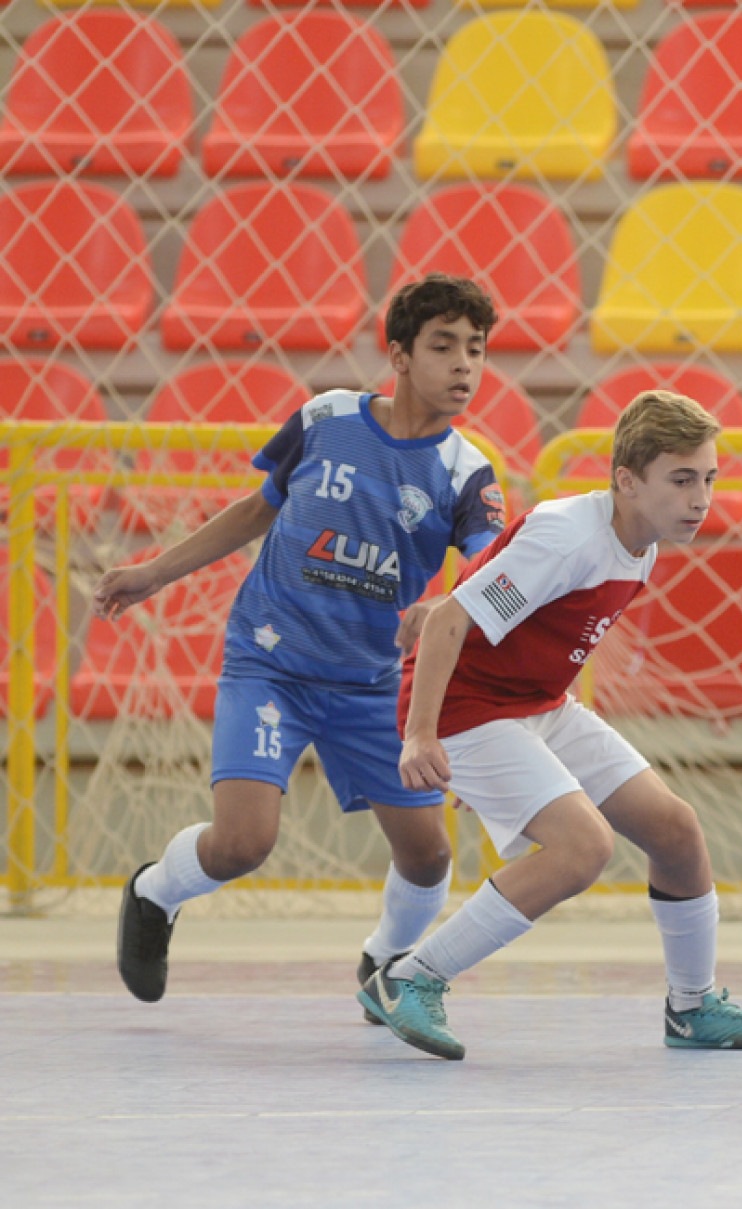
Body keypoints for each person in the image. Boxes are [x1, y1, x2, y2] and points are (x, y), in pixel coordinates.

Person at [101, 274, 508, 1008]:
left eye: (476, 350)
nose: (464, 365)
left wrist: (449, 599)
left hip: (375, 684)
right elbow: (257, 510)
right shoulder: (326, 419)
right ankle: (154, 891)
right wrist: (156, 571)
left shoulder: (467, 473)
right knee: (241, 845)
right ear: (400, 355)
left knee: (428, 853)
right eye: (443, 346)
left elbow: (491, 577)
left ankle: (385, 960)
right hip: (271, 664)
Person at [365, 390, 742, 1062]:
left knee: (674, 829)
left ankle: (691, 1004)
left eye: (708, 478)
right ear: (626, 480)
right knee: (582, 846)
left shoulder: (639, 538)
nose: (700, 498)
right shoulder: (570, 536)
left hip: (537, 702)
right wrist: (421, 735)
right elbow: (448, 623)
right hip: (465, 706)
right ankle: (410, 976)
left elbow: (466, 601)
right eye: (681, 480)